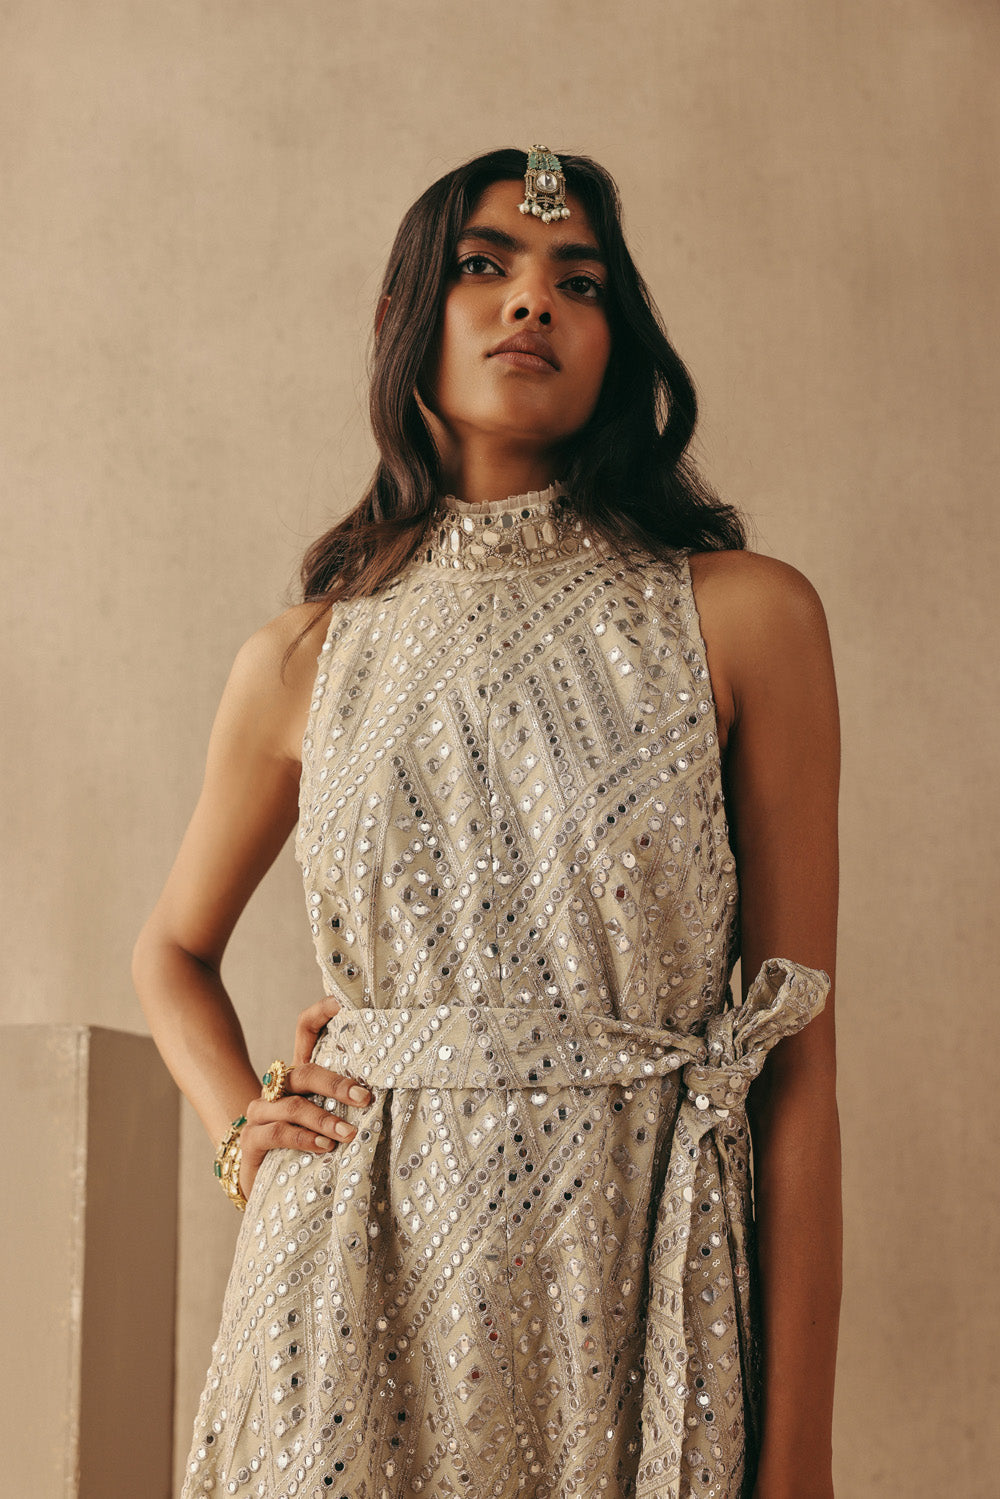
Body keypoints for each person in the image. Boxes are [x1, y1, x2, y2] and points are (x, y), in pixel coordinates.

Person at [134, 146, 841, 1499]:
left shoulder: (745, 618)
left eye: (580, 281)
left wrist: (796, 1460)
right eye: (483, 266)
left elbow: (798, 1065)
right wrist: (244, 1134)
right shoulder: (303, 657)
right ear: (409, 316)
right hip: (344, 1287)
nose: (532, 302)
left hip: (638, 1283)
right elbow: (169, 951)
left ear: (616, 341)